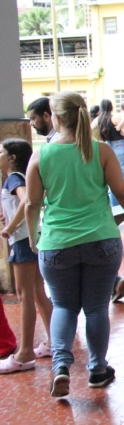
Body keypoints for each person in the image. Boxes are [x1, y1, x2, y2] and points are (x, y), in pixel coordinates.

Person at [24, 91, 124, 398]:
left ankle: (61, 366)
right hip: (101, 241)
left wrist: (34, 236)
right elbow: (122, 192)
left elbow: (31, 204)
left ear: (56, 117)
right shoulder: (100, 151)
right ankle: (98, 369)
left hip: (56, 243)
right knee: (95, 308)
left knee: (64, 306)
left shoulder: (41, 155)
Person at [0, 139, 53, 374]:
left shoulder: (14, 178)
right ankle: (54, 342)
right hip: (31, 237)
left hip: (22, 241)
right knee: (38, 291)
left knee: (25, 295)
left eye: (1, 152)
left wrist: (10, 227)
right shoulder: (19, 177)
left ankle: (25, 353)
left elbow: (26, 200)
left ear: (12, 158)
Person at [94, 99, 124, 207]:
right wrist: (122, 132)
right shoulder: (116, 118)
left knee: (112, 177)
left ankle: (116, 205)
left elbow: (88, 130)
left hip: (106, 146)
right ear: (111, 107)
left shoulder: (98, 119)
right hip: (119, 145)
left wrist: (97, 142)